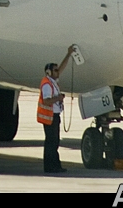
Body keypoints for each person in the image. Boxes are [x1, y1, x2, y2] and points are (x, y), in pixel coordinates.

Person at [37, 44, 76, 173]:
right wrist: (58, 98)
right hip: (50, 117)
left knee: (54, 142)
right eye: (55, 70)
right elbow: (47, 101)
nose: (58, 72)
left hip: (54, 116)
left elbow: (62, 68)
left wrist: (68, 54)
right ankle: (51, 166)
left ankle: (54, 165)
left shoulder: (52, 81)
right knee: (51, 143)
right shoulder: (47, 85)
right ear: (49, 72)